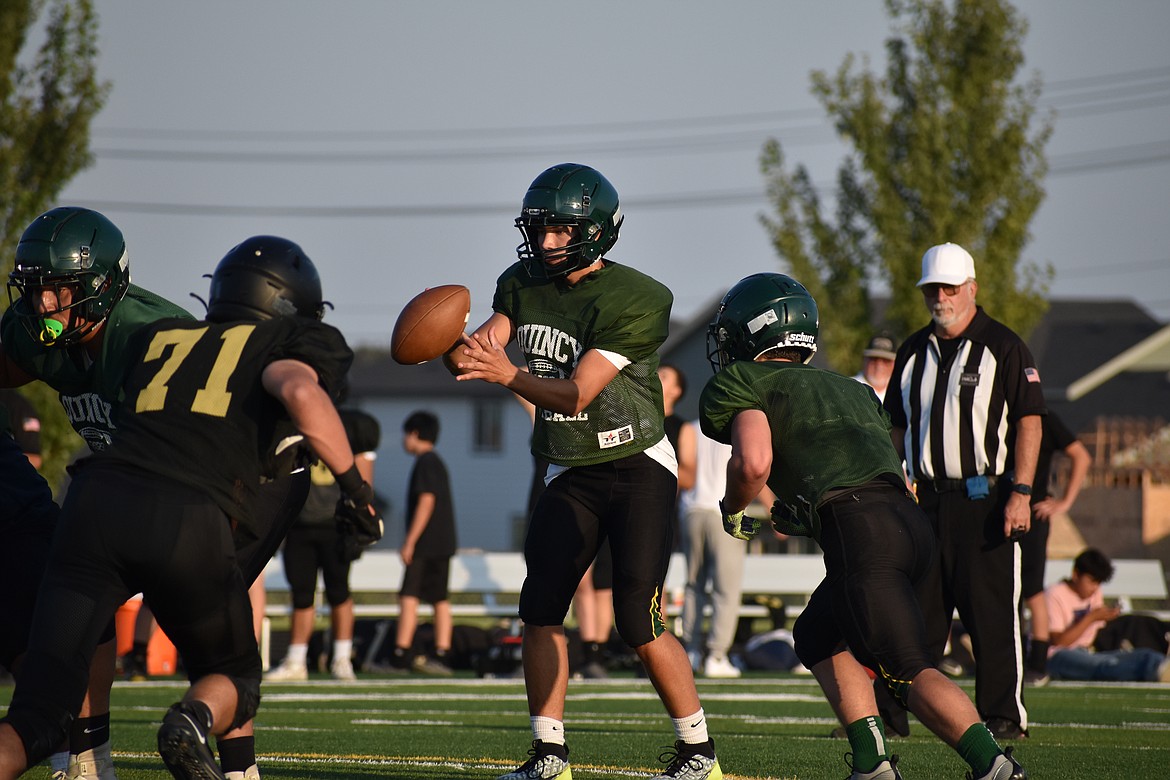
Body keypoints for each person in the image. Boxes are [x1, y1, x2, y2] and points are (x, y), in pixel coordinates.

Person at [0, 235, 381, 780]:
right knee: (231, 667)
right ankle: (205, 733)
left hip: (94, 496)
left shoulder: (159, 336)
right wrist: (358, 493)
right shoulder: (277, 343)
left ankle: (86, 761)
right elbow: (299, 392)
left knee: (36, 717)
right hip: (191, 505)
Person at [447, 163, 722, 780]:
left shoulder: (636, 297)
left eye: (560, 231)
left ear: (595, 232)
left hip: (634, 462)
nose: (546, 243)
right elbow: (485, 349)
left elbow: (577, 394)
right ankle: (549, 754)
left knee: (637, 617)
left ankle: (699, 752)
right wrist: (455, 346)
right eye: (539, 229)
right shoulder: (519, 283)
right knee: (540, 606)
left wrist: (507, 374)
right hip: (568, 465)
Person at [701, 271, 1027, 780]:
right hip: (908, 523)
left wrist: (732, 506)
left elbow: (753, 463)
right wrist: (806, 512)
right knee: (815, 634)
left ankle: (997, 767)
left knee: (905, 667)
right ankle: (872, 763)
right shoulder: (849, 389)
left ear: (752, 331)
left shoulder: (747, 379)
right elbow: (876, 473)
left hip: (863, 530)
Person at [884, 242, 1045, 742]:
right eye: (934, 288)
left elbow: (1030, 422)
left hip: (985, 498)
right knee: (913, 614)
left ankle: (1002, 715)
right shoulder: (911, 350)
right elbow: (893, 424)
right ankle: (893, 715)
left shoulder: (1004, 345)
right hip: (925, 499)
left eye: (950, 287)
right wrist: (895, 477)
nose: (942, 297)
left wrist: (1020, 490)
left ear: (972, 288)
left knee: (992, 612)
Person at [265, 408, 382, 682]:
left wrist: (361, 515)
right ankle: (296, 660)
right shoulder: (295, 420)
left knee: (339, 592)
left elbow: (364, 476)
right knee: (302, 594)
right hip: (300, 523)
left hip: (335, 524)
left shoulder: (352, 426)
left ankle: (341, 658)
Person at [676, 419, 764, 679]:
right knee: (726, 589)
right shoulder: (743, 429)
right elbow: (754, 469)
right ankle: (716, 655)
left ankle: (691, 652)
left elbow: (686, 474)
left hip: (691, 511)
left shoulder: (690, 428)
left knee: (693, 585)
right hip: (726, 512)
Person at [1021, 412, 1092, 686]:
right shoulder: (996, 412)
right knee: (1000, 591)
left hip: (1034, 513)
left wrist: (1064, 503)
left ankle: (1038, 666)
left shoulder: (1044, 418)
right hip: (997, 512)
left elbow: (1082, 456)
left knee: (1033, 590)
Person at [387, 410, 458, 676]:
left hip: (426, 544)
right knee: (439, 598)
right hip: (443, 542)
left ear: (414, 434)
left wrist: (409, 541)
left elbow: (426, 501)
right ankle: (442, 652)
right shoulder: (437, 462)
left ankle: (401, 654)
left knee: (409, 595)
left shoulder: (424, 463)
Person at [1043, 548, 1170, 683]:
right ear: (1075, 574)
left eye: (1098, 583)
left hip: (1090, 650)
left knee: (1130, 654)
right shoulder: (1054, 594)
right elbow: (1059, 641)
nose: (1095, 588)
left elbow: (1097, 629)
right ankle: (1155, 670)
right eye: (1092, 581)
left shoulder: (1094, 592)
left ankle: (1158, 663)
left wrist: (1108, 616)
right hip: (1057, 656)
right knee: (1103, 666)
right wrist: (1091, 618)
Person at [852, 333, 897, 402]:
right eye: (874, 359)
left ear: (894, 363)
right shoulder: (848, 388)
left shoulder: (900, 393)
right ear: (864, 359)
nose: (879, 365)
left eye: (886, 360)